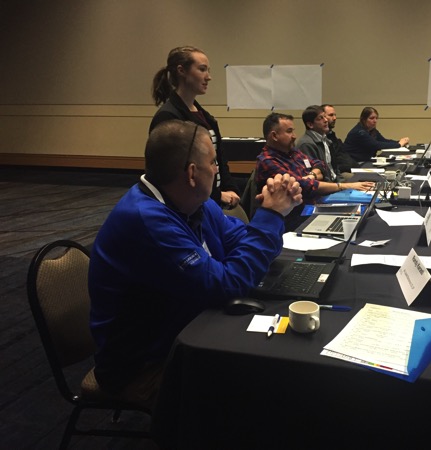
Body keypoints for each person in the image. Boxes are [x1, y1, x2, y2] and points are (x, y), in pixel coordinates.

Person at [89, 120, 302, 408]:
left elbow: (245, 242)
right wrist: (271, 216)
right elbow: (227, 285)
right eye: (213, 162)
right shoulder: (146, 220)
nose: (217, 169)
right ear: (192, 173)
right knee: (266, 384)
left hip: (185, 325)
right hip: (142, 365)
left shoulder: (195, 202)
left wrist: (270, 218)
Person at [149, 46, 242, 214]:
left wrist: (230, 188)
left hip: (210, 201)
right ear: (181, 71)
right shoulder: (168, 117)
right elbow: (174, 174)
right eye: (202, 69)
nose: (208, 77)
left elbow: (219, 159)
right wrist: (217, 195)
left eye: (208, 70)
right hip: (187, 206)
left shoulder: (205, 116)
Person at [255, 112, 375, 230]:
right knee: (356, 223)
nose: (294, 136)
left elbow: (320, 164)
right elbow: (304, 186)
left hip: (313, 207)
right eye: (289, 131)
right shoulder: (268, 161)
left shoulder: (293, 152)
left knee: (366, 213)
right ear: (274, 136)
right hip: (294, 220)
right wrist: (344, 186)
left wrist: (312, 175)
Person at [341, 106, 410, 163]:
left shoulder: (371, 130)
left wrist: (399, 142)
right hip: (355, 163)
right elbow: (376, 145)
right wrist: (399, 145)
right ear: (364, 119)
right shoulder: (359, 132)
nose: (375, 121)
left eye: (376, 118)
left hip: (365, 161)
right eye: (371, 118)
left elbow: (383, 141)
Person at [296, 105, 338, 182]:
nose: (326, 120)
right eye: (320, 118)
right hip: (326, 186)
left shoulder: (326, 140)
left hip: (335, 180)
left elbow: (334, 168)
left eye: (325, 116)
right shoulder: (306, 144)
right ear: (310, 125)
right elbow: (315, 175)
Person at [322, 103, 357, 176]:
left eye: (335, 115)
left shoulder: (332, 136)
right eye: (331, 115)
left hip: (349, 169)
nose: (335, 118)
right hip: (337, 174)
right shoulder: (321, 139)